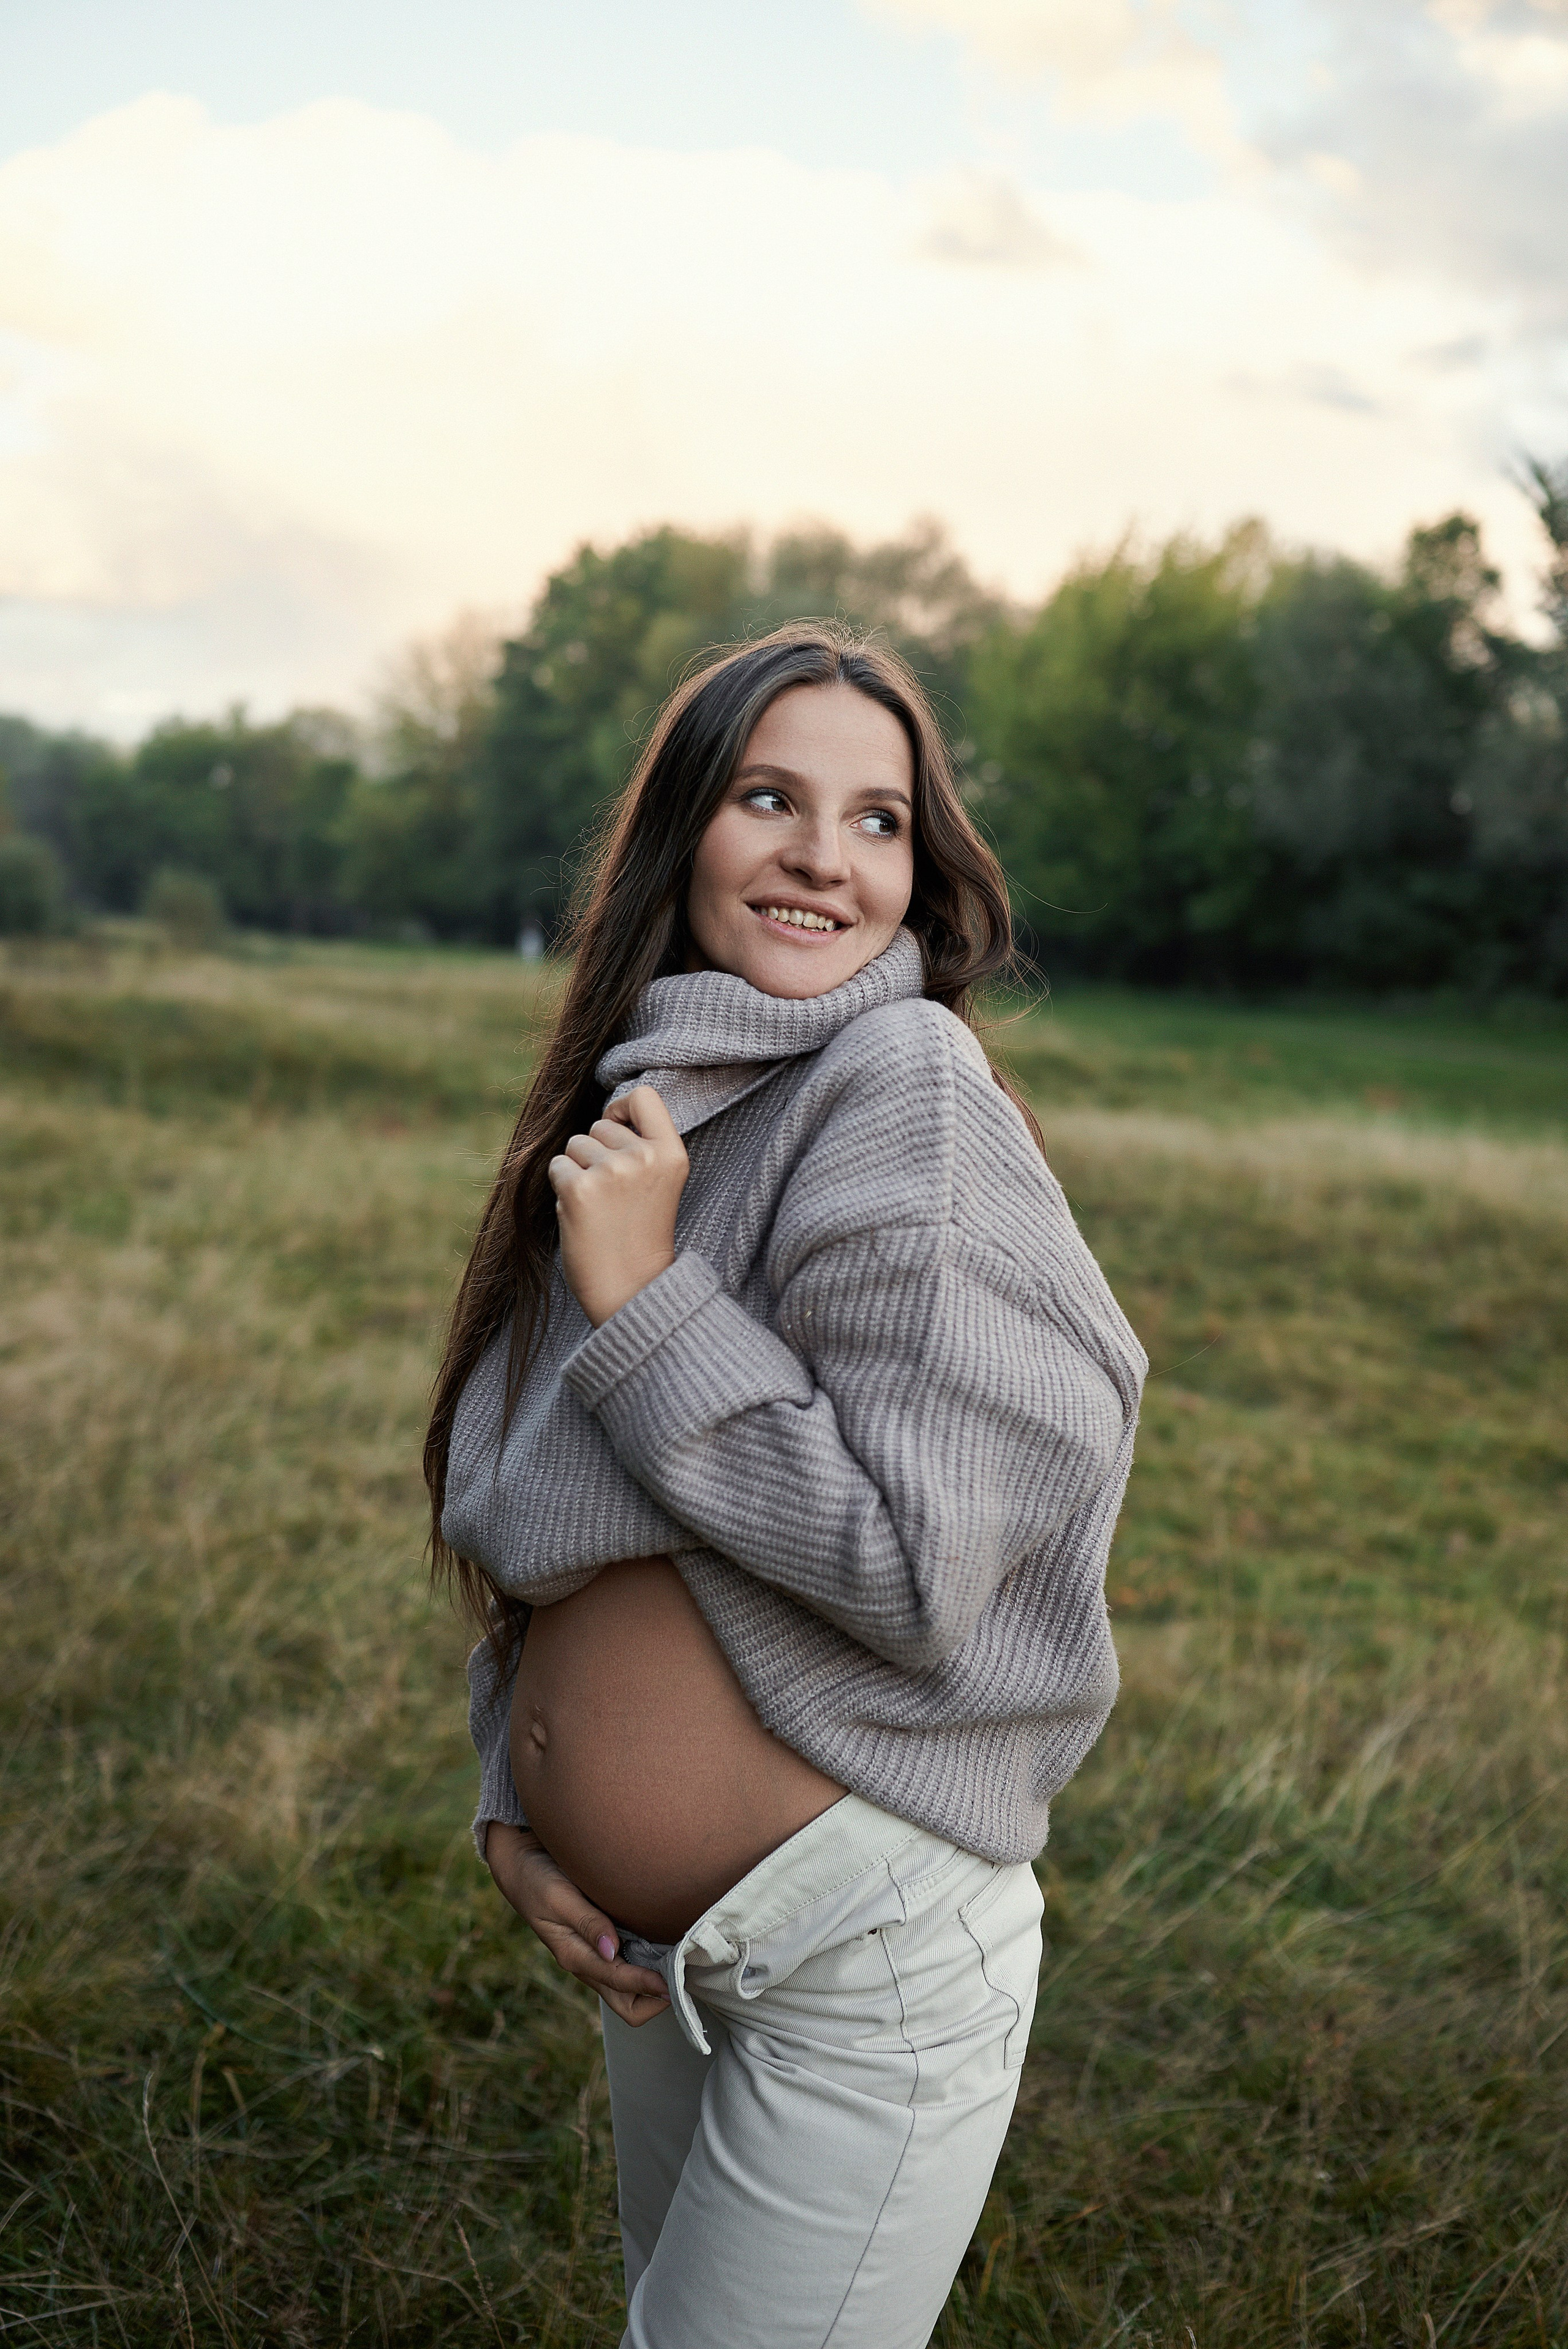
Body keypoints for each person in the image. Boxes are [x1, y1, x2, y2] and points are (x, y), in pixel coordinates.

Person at [424, 624, 1146, 2349]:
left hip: (870, 1947)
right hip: (663, 1954)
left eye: (879, 817)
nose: (828, 853)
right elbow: (555, 1531)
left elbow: (916, 1561)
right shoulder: (649, 1103)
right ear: (683, 830)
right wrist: (512, 1797)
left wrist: (648, 1299)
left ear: (923, 861)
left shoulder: (903, 1087)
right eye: (772, 796)